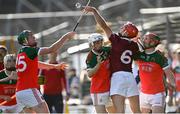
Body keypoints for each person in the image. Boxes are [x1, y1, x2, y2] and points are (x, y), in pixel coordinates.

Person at [0, 30, 75, 113]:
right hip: (29, 90)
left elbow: (37, 64)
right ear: (25, 41)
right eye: (31, 36)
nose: (34, 37)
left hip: (19, 93)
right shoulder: (30, 50)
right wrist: (66, 36)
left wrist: (54, 66)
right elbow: (52, 49)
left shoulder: (21, 53)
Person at [84, 6, 141, 113]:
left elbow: (103, 26)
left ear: (125, 31)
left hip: (117, 77)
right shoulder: (134, 45)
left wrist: (94, 11)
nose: (120, 29)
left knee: (119, 112)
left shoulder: (116, 40)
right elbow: (138, 57)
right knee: (137, 111)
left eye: (123, 28)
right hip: (130, 77)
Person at [134, 32, 176, 113]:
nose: (143, 40)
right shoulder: (139, 55)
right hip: (143, 93)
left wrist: (173, 84)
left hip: (157, 94)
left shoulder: (159, 57)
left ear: (153, 42)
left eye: (146, 38)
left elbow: (169, 73)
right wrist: (133, 41)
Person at [85, 33, 115, 113]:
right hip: (98, 91)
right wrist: (98, 64)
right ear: (92, 45)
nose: (100, 44)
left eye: (101, 42)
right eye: (97, 42)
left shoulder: (106, 50)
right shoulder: (90, 57)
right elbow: (89, 74)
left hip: (109, 89)